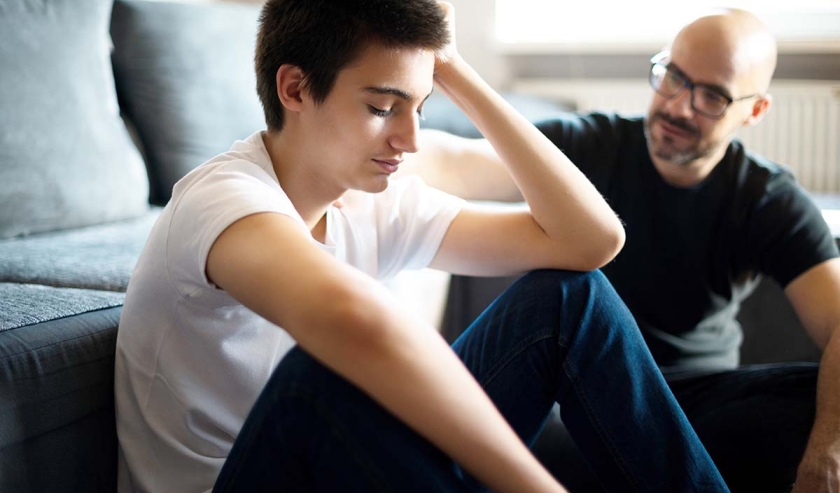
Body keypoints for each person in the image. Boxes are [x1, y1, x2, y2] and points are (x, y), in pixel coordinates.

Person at [113, 1, 732, 492]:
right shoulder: (224, 200)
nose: (409, 139)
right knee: (322, 374)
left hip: (350, 470)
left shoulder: (375, 201)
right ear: (295, 88)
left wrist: (458, 70)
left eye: (420, 107)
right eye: (384, 107)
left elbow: (592, 241)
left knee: (568, 298)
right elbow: (354, 322)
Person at [401, 8, 840, 493]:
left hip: (690, 409)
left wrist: (826, 455)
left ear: (753, 111)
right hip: (574, 406)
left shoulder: (765, 198)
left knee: (816, 401)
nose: (678, 106)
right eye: (672, 76)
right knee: (571, 295)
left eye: (711, 96)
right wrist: (368, 150)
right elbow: (461, 161)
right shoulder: (595, 145)